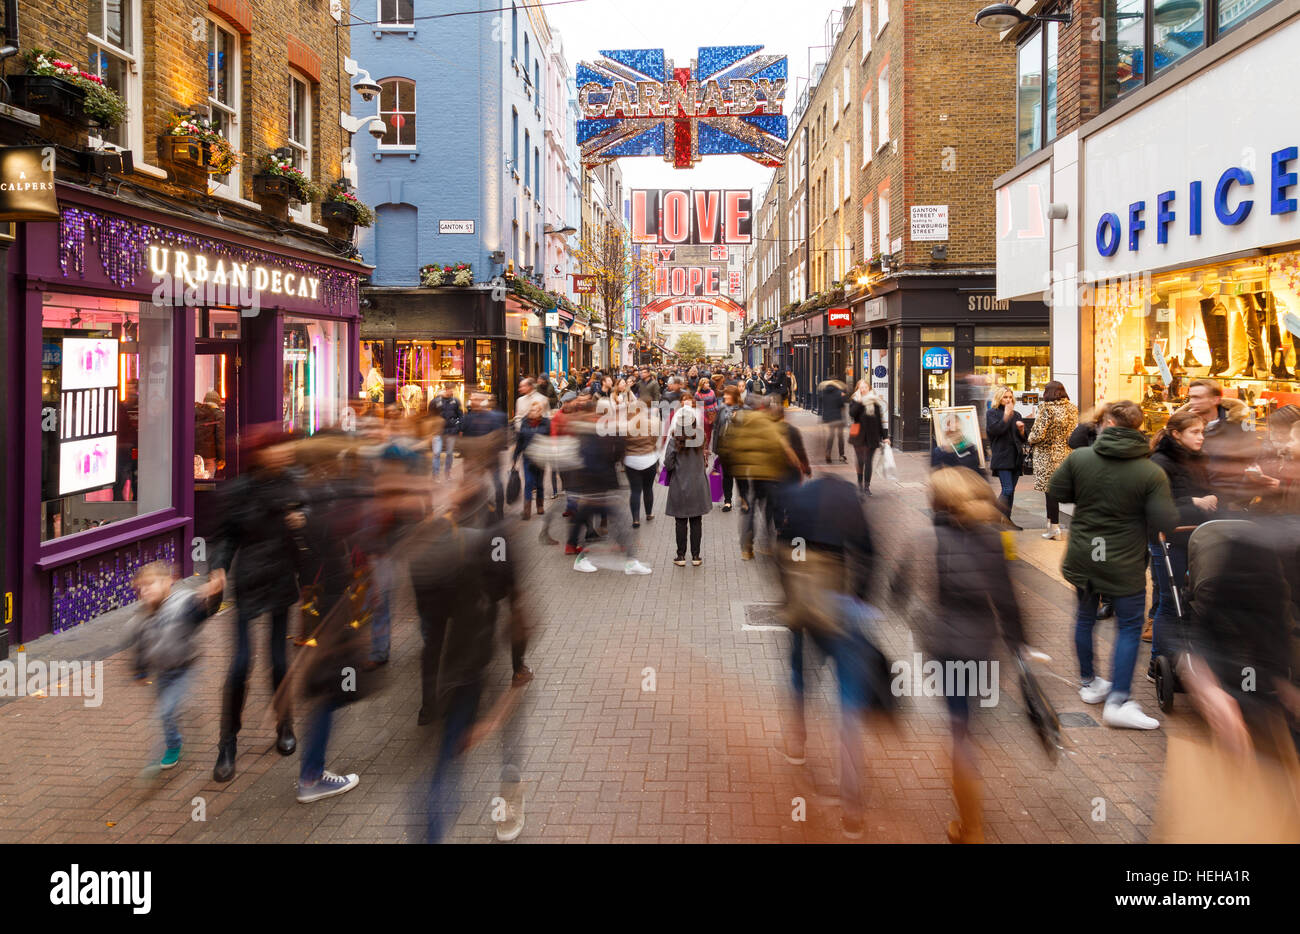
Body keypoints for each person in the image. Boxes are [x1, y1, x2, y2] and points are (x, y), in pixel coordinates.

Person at [891, 467, 1027, 843]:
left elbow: (897, 590)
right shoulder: (998, 540)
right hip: (982, 646)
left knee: (959, 731)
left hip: (945, 646)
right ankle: (971, 810)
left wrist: (914, 611)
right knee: (968, 724)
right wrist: (1020, 648)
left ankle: (972, 828)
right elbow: (1008, 600)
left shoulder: (924, 538)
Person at [1048, 400, 1178, 730]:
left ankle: (1089, 683)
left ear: (1105, 422)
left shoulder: (1081, 458)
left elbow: (1057, 490)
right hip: (1124, 560)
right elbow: (1164, 519)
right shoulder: (1150, 471)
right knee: (1130, 627)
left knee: (1085, 617)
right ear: (1138, 427)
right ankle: (1119, 699)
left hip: (1086, 553)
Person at [778, 473, 882, 839]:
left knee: (799, 671)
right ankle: (851, 803)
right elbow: (870, 554)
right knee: (848, 696)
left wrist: (788, 594)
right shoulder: (850, 502)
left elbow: (780, 544)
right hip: (837, 608)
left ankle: (797, 739)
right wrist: (861, 600)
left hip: (803, 603)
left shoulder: (799, 497)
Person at [129, 562, 224, 772]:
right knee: (166, 713)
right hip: (161, 672)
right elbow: (142, 645)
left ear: (167, 583)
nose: (145, 590)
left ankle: (172, 746)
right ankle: (175, 741)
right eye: (142, 587)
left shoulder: (182, 604)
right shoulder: (142, 616)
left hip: (184, 668)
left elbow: (202, 613)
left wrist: (213, 592)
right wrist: (140, 669)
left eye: (150, 584)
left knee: (166, 711)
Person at [1145, 409, 1216, 670]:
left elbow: (1209, 489)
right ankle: (1158, 661)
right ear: (1176, 434)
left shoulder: (1200, 459)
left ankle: (1188, 655)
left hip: (1197, 536)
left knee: (1189, 598)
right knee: (1169, 599)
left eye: (1202, 432)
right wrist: (1194, 501)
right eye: (1194, 432)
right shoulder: (1160, 462)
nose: (1201, 438)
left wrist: (1213, 497)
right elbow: (1155, 504)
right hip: (1168, 538)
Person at [1185, 378, 1280, 509]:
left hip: (1228, 502)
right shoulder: (1184, 427)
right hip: (1195, 499)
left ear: (1215, 400)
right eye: (1191, 397)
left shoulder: (1239, 425)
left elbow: (1250, 463)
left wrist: (1236, 501)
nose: (1192, 402)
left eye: (1198, 397)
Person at [1025, 381, 1079, 540]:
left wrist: (1029, 438)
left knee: (1050, 492)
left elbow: (1037, 434)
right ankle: (1052, 526)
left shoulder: (1046, 408)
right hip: (1066, 454)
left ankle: (1054, 527)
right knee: (1059, 490)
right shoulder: (1072, 408)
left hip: (1048, 455)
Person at [663, 406, 710, 567]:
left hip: (679, 484)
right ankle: (696, 556)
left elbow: (668, 464)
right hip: (698, 484)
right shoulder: (701, 436)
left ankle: (680, 556)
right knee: (697, 520)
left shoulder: (674, 440)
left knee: (680, 521)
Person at [986, 385, 1026, 528]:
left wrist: (1021, 431)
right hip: (1002, 456)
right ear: (999, 398)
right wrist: (1006, 416)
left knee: (1011, 492)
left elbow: (1022, 440)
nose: (1008, 400)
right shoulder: (992, 413)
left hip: (1015, 457)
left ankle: (1007, 520)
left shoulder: (1017, 414)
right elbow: (995, 431)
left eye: (1010, 397)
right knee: (1007, 489)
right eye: (1005, 397)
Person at [622, 396, 660, 528]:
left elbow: (622, 444)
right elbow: (655, 440)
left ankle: (636, 519)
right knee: (648, 488)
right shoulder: (652, 423)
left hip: (631, 460)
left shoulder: (625, 426)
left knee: (635, 490)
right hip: (649, 459)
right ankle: (649, 513)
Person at [848, 379, 888, 495]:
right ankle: (860, 483)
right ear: (858, 389)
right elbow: (852, 414)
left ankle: (866, 486)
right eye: (861, 387)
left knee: (868, 461)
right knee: (860, 461)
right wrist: (860, 402)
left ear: (869, 388)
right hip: (859, 437)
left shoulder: (875, 403)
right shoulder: (855, 401)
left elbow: (880, 421)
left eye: (865, 387)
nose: (863, 389)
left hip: (872, 436)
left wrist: (885, 436)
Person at [512, 399, 549, 520]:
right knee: (528, 482)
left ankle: (540, 506)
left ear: (541, 411)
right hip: (527, 457)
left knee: (539, 484)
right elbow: (520, 440)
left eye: (536, 410)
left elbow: (549, 440)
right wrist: (515, 457)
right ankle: (526, 510)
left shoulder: (546, 423)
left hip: (541, 458)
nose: (533, 412)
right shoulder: (524, 422)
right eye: (532, 409)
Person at [711, 385, 746, 512]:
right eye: (724, 394)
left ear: (735, 396)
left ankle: (744, 500)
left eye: (727, 394)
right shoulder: (721, 409)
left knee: (741, 477)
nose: (724, 396)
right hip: (725, 449)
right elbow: (716, 428)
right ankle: (727, 501)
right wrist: (715, 449)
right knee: (727, 476)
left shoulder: (744, 409)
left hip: (740, 449)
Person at [429, 385, 463, 479]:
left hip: (451, 431)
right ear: (445, 389)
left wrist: (460, 428)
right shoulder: (436, 401)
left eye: (453, 390)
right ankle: (435, 474)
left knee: (449, 453)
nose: (452, 392)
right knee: (436, 453)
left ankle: (447, 473)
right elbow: (430, 415)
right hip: (437, 431)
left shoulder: (456, 401)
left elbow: (460, 415)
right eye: (450, 389)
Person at [194, 391, 225, 480]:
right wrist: (222, 459)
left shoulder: (195, 412)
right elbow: (220, 438)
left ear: (205, 400)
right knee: (207, 482)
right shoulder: (219, 415)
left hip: (195, 454)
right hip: (210, 456)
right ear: (217, 402)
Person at [818, 377, 849, 464]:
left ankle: (828, 453)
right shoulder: (839, 392)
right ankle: (841, 455)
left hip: (828, 418)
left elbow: (821, 401)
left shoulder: (824, 392)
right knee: (840, 437)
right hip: (838, 418)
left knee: (830, 437)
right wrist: (843, 397)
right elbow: (842, 404)